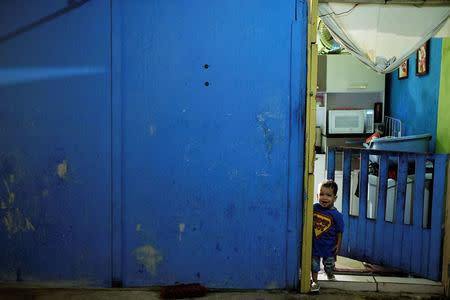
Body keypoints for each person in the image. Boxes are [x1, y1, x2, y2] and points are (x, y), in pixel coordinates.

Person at [310, 179, 344, 293]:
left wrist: (338, 245)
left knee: (328, 264)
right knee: (314, 265)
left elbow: (339, 231)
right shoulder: (314, 208)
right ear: (317, 195)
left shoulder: (337, 215)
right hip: (315, 245)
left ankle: (329, 272)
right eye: (322, 194)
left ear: (334, 198)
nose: (324, 198)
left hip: (329, 246)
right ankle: (315, 282)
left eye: (328, 195)